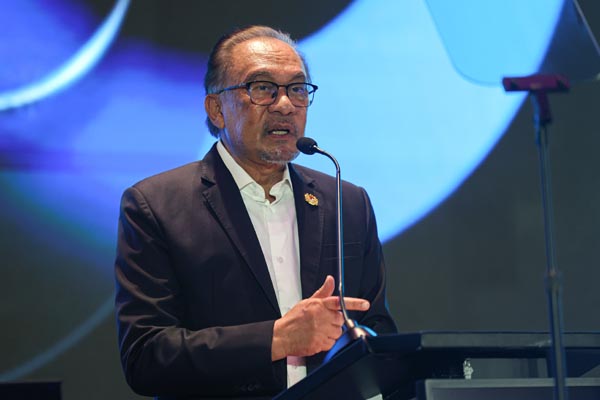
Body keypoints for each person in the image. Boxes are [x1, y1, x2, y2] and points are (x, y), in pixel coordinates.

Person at [114, 25, 397, 399]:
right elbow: (146, 357)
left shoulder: (347, 202)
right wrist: (276, 339)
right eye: (262, 88)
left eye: (297, 89)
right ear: (217, 109)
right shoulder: (155, 205)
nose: (285, 105)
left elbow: (377, 331)